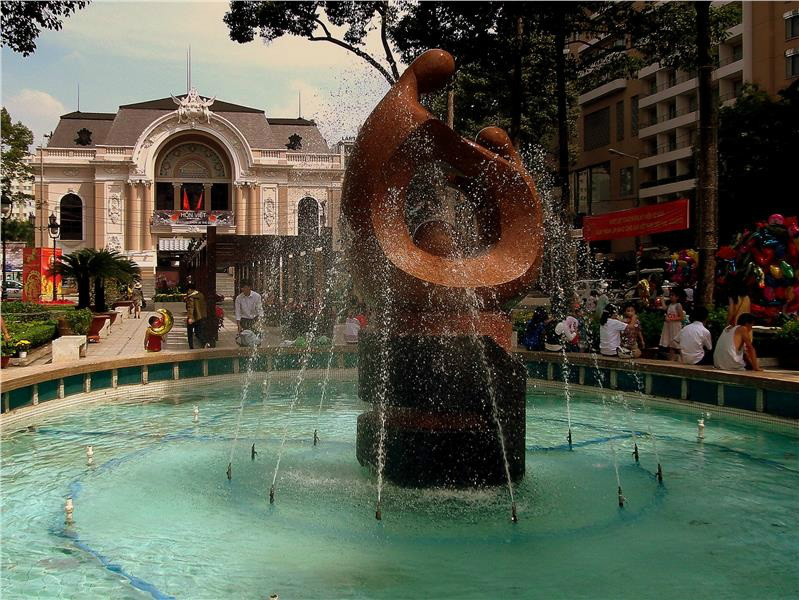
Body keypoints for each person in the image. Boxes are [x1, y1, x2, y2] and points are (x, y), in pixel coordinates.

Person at [659, 286, 686, 360]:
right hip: (669, 326)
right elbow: (664, 308)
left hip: (675, 326)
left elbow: (681, 317)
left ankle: (684, 357)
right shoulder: (670, 305)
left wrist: (671, 319)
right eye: (670, 295)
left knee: (676, 343)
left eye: (673, 295)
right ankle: (672, 359)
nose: (671, 297)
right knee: (671, 344)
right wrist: (662, 300)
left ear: (677, 297)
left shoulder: (678, 305)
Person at [185, 281, 208, 350]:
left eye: (187, 290)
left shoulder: (191, 297)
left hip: (193, 318)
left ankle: (191, 347)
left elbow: (190, 307)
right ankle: (205, 342)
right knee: (198, 332)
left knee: (190, 333)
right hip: (200, 317)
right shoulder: (201, 295)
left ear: (190, 289)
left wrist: (190, 318)